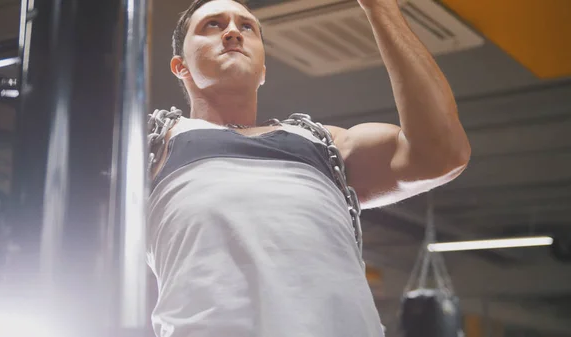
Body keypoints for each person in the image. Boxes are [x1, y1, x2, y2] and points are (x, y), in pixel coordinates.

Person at [146, 0, 471, 336]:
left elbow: (442, 153)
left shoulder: (324, 145)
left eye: (246, 27)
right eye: (212, 25)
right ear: (180, 66)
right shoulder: (151, 148)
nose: (232, 33)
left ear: (263, 70)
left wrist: (381, 9)